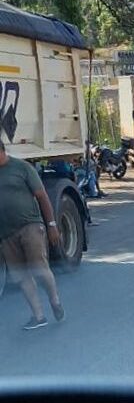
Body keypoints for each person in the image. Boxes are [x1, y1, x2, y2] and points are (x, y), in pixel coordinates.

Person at [0, 138, 65, 330]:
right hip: (6, 233)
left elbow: (42, 196)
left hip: (30, 226)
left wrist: (52, 224)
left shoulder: (21, 168)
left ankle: (54, 301)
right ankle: (38, 316)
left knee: (39, 268)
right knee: (21, 276)